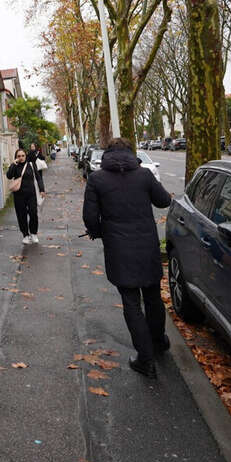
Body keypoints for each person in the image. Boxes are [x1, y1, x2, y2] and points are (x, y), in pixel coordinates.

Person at [81, 137, 173, 379]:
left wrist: (100, 232)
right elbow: (163, 201)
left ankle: (145, 359)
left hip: (119, 247)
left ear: (107, 153)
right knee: (153, 296)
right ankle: (159, 342)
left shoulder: (97, 179)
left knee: (131, 302)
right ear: (131, 153)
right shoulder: (143, 175)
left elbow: (90, 217)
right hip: (147, 245)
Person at [7, 148, 45, 244]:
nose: (21, 158)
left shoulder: (31, 165)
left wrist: (42, 189)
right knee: (21, 216)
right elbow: (9, 176)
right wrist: (13, 164)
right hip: (18, 196)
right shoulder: (15, 166)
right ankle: (25, 235)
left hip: (31, 195)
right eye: (18, 156)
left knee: (33, 214)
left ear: (25, 156)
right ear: (16, 157)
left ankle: (33, 233)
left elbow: (38, 177)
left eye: (22, 155)